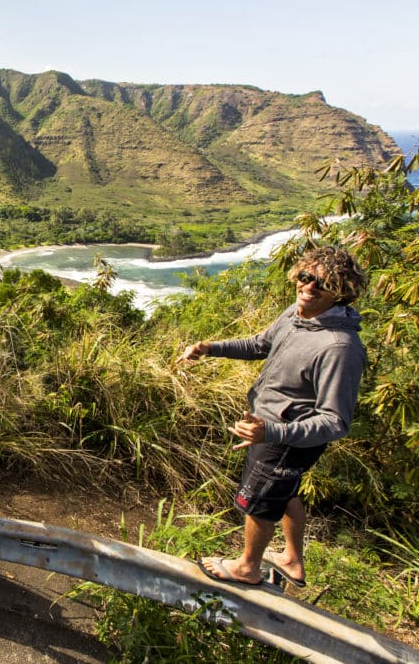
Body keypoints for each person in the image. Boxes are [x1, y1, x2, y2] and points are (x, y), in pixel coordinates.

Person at [180, 246, 367, 589]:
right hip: (269, 430)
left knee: (260, 502)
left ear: (342, 291)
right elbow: (258, 345)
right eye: (305, 277)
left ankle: (247, 568)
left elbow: (335, 421)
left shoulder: (339, 347)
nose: (309, 287)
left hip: (284, 440)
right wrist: (211, 348)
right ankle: (292, 559)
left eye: (322, 284)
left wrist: (273, 432)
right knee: (284, 492)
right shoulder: (296, 315)